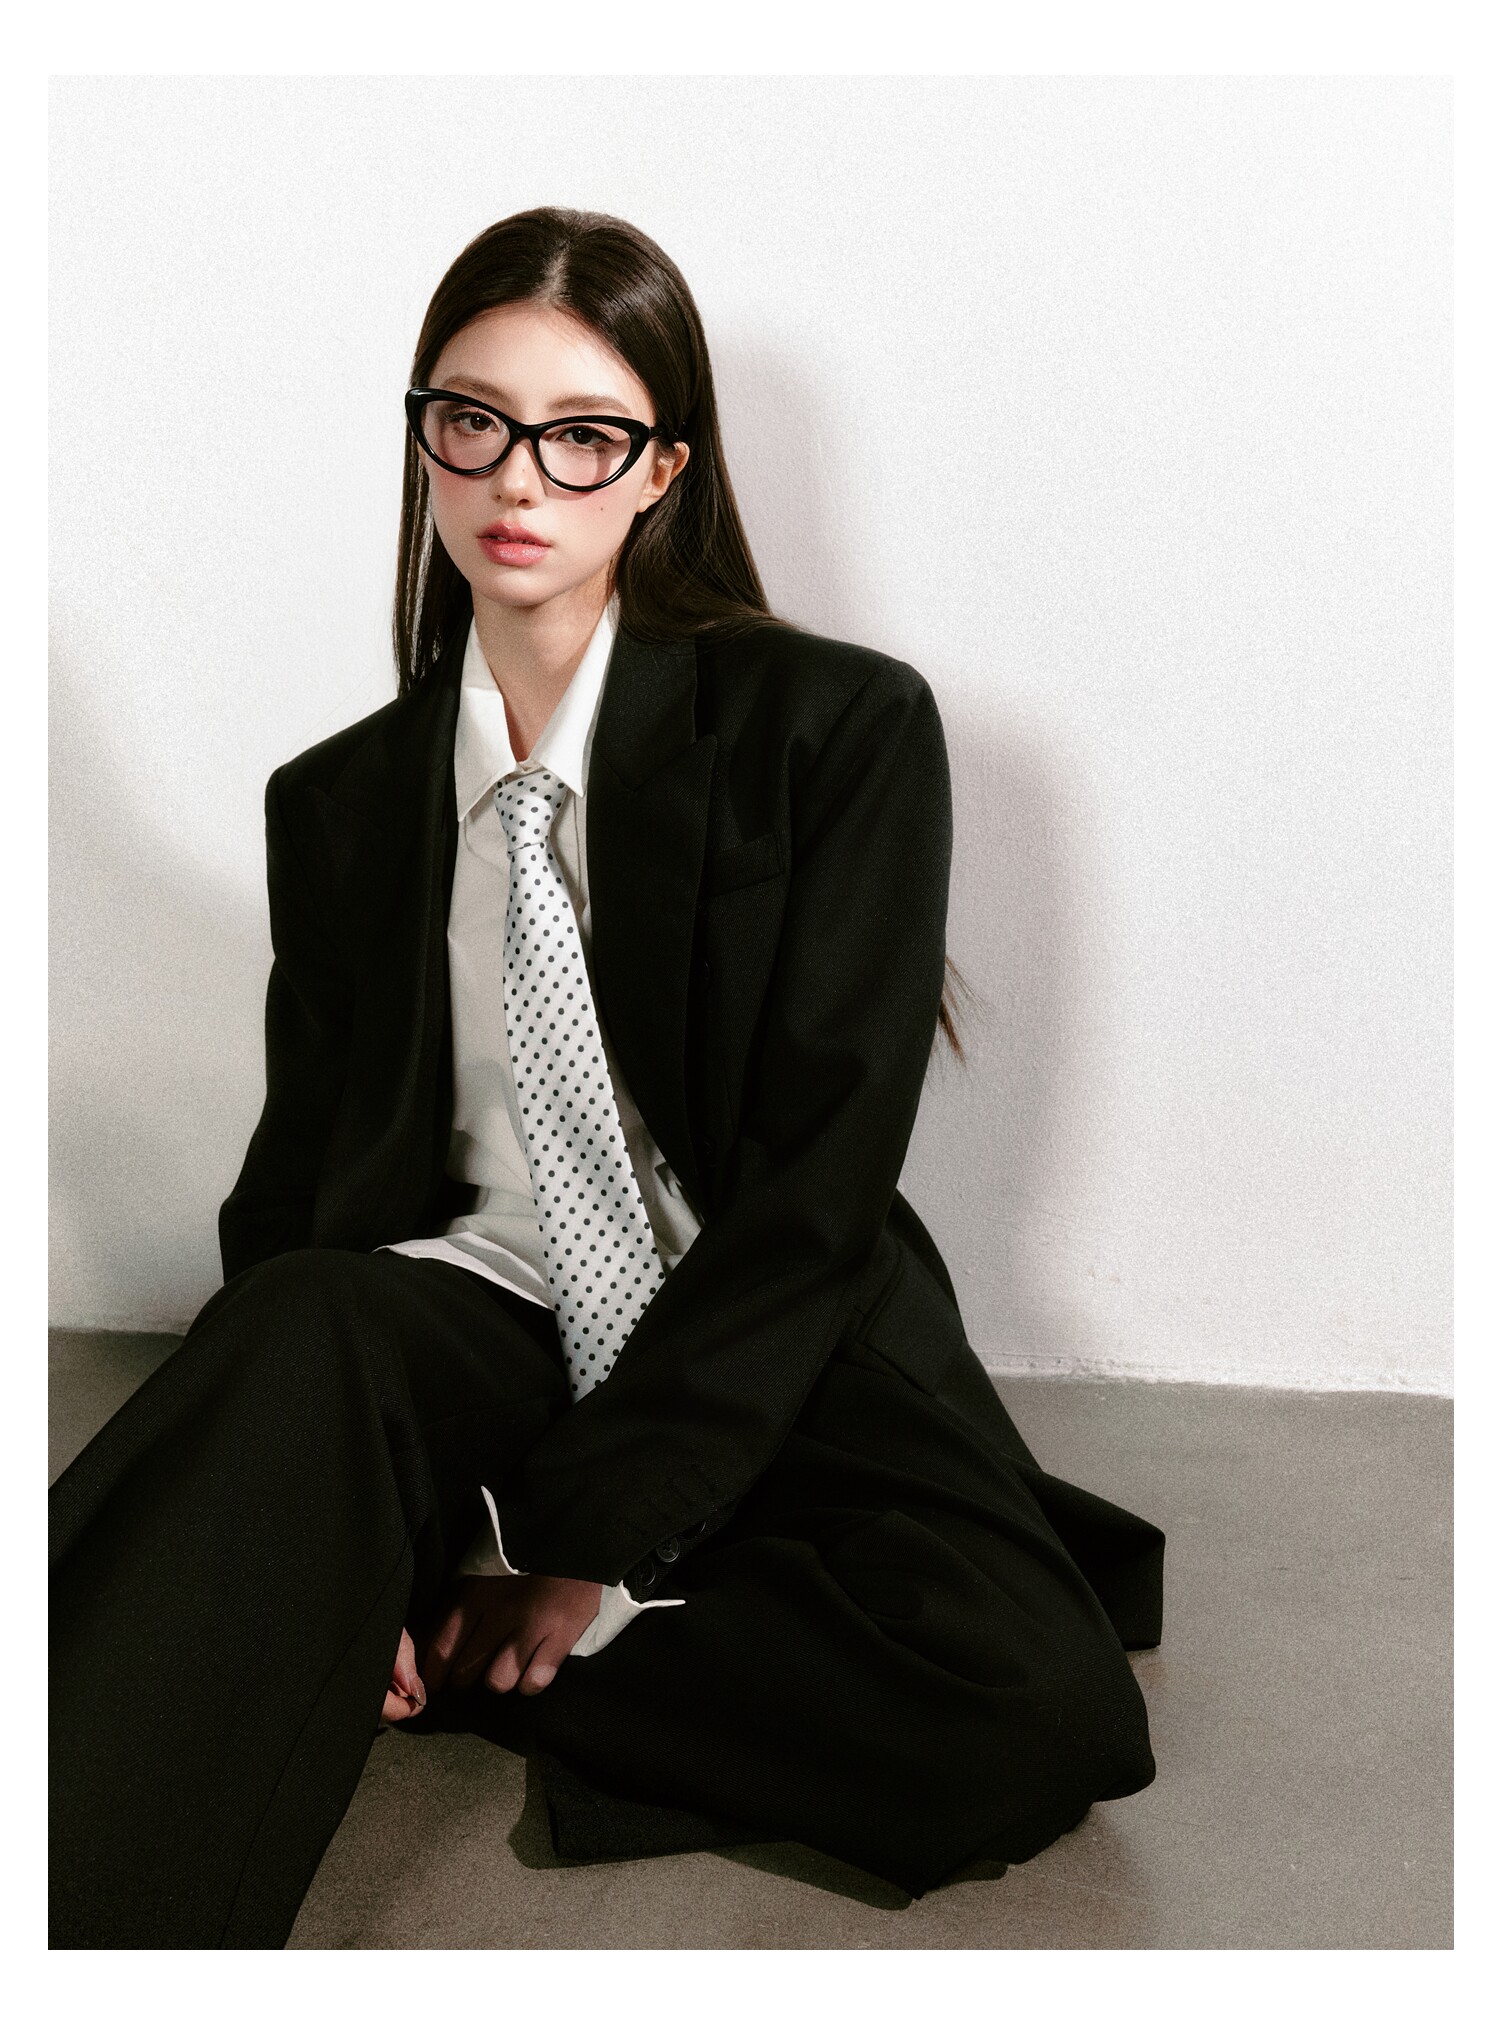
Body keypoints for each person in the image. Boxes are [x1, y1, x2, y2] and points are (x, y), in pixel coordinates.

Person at [49, 206, 1164, 1950]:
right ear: (423, 437)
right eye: (472, 421)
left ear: (661, 470)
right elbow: (303, 1174)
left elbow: (815, 1186)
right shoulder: (338, 802)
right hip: (485, 1297)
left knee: (1038, 1709)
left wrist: (574, 1546)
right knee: (289, 1326)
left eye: (582, 435)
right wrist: (356, 1527)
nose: (518, 477)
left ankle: (512, 1641)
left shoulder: (837, 729)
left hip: (753, 1299)